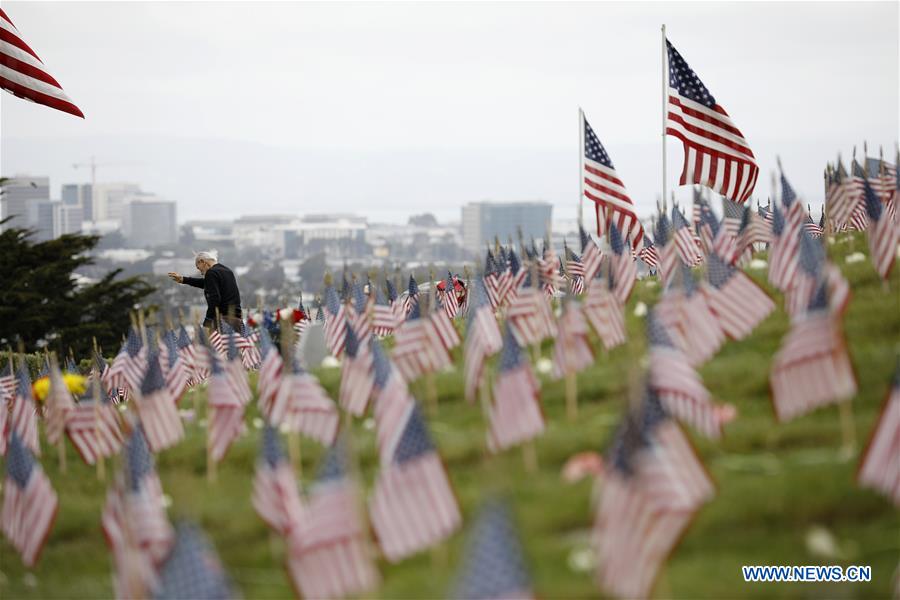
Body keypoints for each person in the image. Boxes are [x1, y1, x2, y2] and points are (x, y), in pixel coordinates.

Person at [168, 251, 243, 332]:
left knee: (207, 343)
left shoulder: (211, 273)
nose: (200, 272)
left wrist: (207, 322)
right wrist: (184, 279)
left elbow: (214, 300)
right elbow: (206, 283)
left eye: (198, 267)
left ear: (202, 262)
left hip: (223, 321)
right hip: (237, 320)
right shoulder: (227, 271)